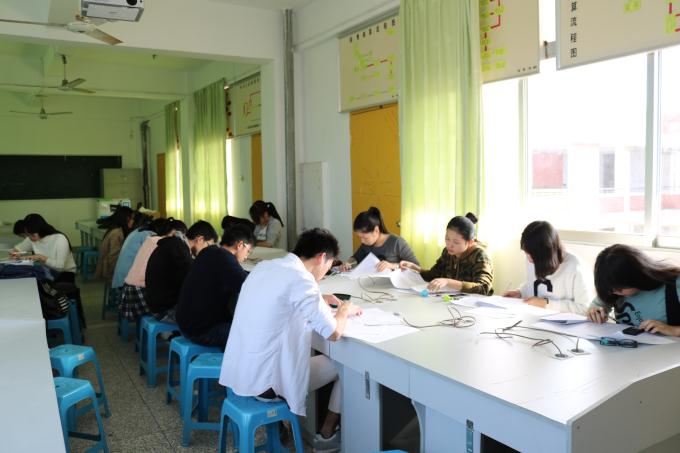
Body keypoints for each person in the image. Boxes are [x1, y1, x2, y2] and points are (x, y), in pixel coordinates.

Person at [219, 228, 362, 447]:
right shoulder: (302, 280)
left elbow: (280, 297)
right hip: (266, 384)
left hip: (242, 372)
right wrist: (344, 310)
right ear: (322, 257)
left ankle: (289, 429)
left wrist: (319, 298)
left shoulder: (267, 267)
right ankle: (327, 433)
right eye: (329, 265)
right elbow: (333, 332)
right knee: (346, 365)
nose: (326, 271)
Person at [176, 224, 254, 348]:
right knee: (252, 334)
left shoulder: (210, 252)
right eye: (248, 251)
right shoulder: (224, 258)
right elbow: (249, 286)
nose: (246, 257)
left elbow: (239, 274)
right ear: (240, 245)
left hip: (186, 323)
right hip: (200, 331)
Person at [587, 244, 680, 336]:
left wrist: (672, 330)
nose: (613, 292)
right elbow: (598, 306)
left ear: (636, 277)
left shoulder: (675, 285)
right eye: (609, 288)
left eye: (618, 288)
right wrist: (594, 312)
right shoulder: (613, 290)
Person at [503, 221, 592, 313]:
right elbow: (534, 284)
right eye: (526, 254)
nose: (529, 260)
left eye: (532, 256)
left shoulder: (575, 266)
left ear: (547, 254)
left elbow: (584, 308)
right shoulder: (532, 257)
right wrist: (520, 292)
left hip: (560, 320)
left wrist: (547, 304)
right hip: (533, 316)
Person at [400, 213, 494, 295]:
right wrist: (415, 268)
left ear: (470, 242)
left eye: (456, 242)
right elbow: (433, 275)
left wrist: (448, 282)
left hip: (473, 305)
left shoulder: (480, 256)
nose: (449, 245)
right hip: (451, 301)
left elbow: (484, 288)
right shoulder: (447, 252)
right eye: (447, 239)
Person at [145, 220, 218, 323]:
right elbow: (195, 280)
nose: (208, 250)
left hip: (158, 304)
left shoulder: (176, 245)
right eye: (208, 245)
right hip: (164, 310)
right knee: (213, 316)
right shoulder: (179, 250)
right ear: (200, 239)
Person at [119, 219, 186, 320]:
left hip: (129, 289)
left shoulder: (151, 239)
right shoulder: (161, 244)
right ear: (174, 233)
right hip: (138, 292)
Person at [340, 207, 418, 272]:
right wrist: (348, 264)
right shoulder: (366, 244)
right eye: (360, 237)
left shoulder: (397, 242)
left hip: (393, 284)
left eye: (365, 237)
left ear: (376, 230)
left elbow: (416, 267)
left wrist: (393, 265)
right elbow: (355, 258)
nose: (362, 241)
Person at [11, 214, 77, 281]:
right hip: (47, 271)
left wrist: (40, 257)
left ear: (41, 229)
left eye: (32, 235)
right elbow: (19, 248)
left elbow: (60, 267)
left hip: (64, 273)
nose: (30, 238)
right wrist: (15, 253)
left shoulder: (60, 239)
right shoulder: (32, 238)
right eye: (28, 235)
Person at [94, 206, 135, 282]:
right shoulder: (116, 233)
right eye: (132, 218)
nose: (133, 221)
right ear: (127, 219)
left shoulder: (118, 229)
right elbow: (114, 258)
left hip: (112, 267)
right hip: (110, 270)